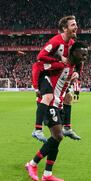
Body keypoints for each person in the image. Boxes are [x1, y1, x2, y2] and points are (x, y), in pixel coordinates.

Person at [25, 41, 88, 181]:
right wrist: (37, 88)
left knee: (56, 139)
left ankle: (47, 173)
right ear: (73, 52)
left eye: (86, 55)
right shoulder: (60, 64)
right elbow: (37, 65)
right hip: (49, 104)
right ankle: (32, 164)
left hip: (58, 104)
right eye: (82, 54)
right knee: (58, 136)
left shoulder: (72, 68)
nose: (84, 57)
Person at [31, 15, 81, 143]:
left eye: (76, 24)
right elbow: (40, 56)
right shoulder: (55, 41)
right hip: (44, 72)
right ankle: (37, 129)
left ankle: (67, 128)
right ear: (65, 28)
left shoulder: (72, 43)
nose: (76, 27)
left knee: (68, 97)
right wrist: (59, 59)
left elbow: (77, 60)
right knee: (48, 97)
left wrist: (76, 73)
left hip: (57, 74)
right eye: (73, 25)